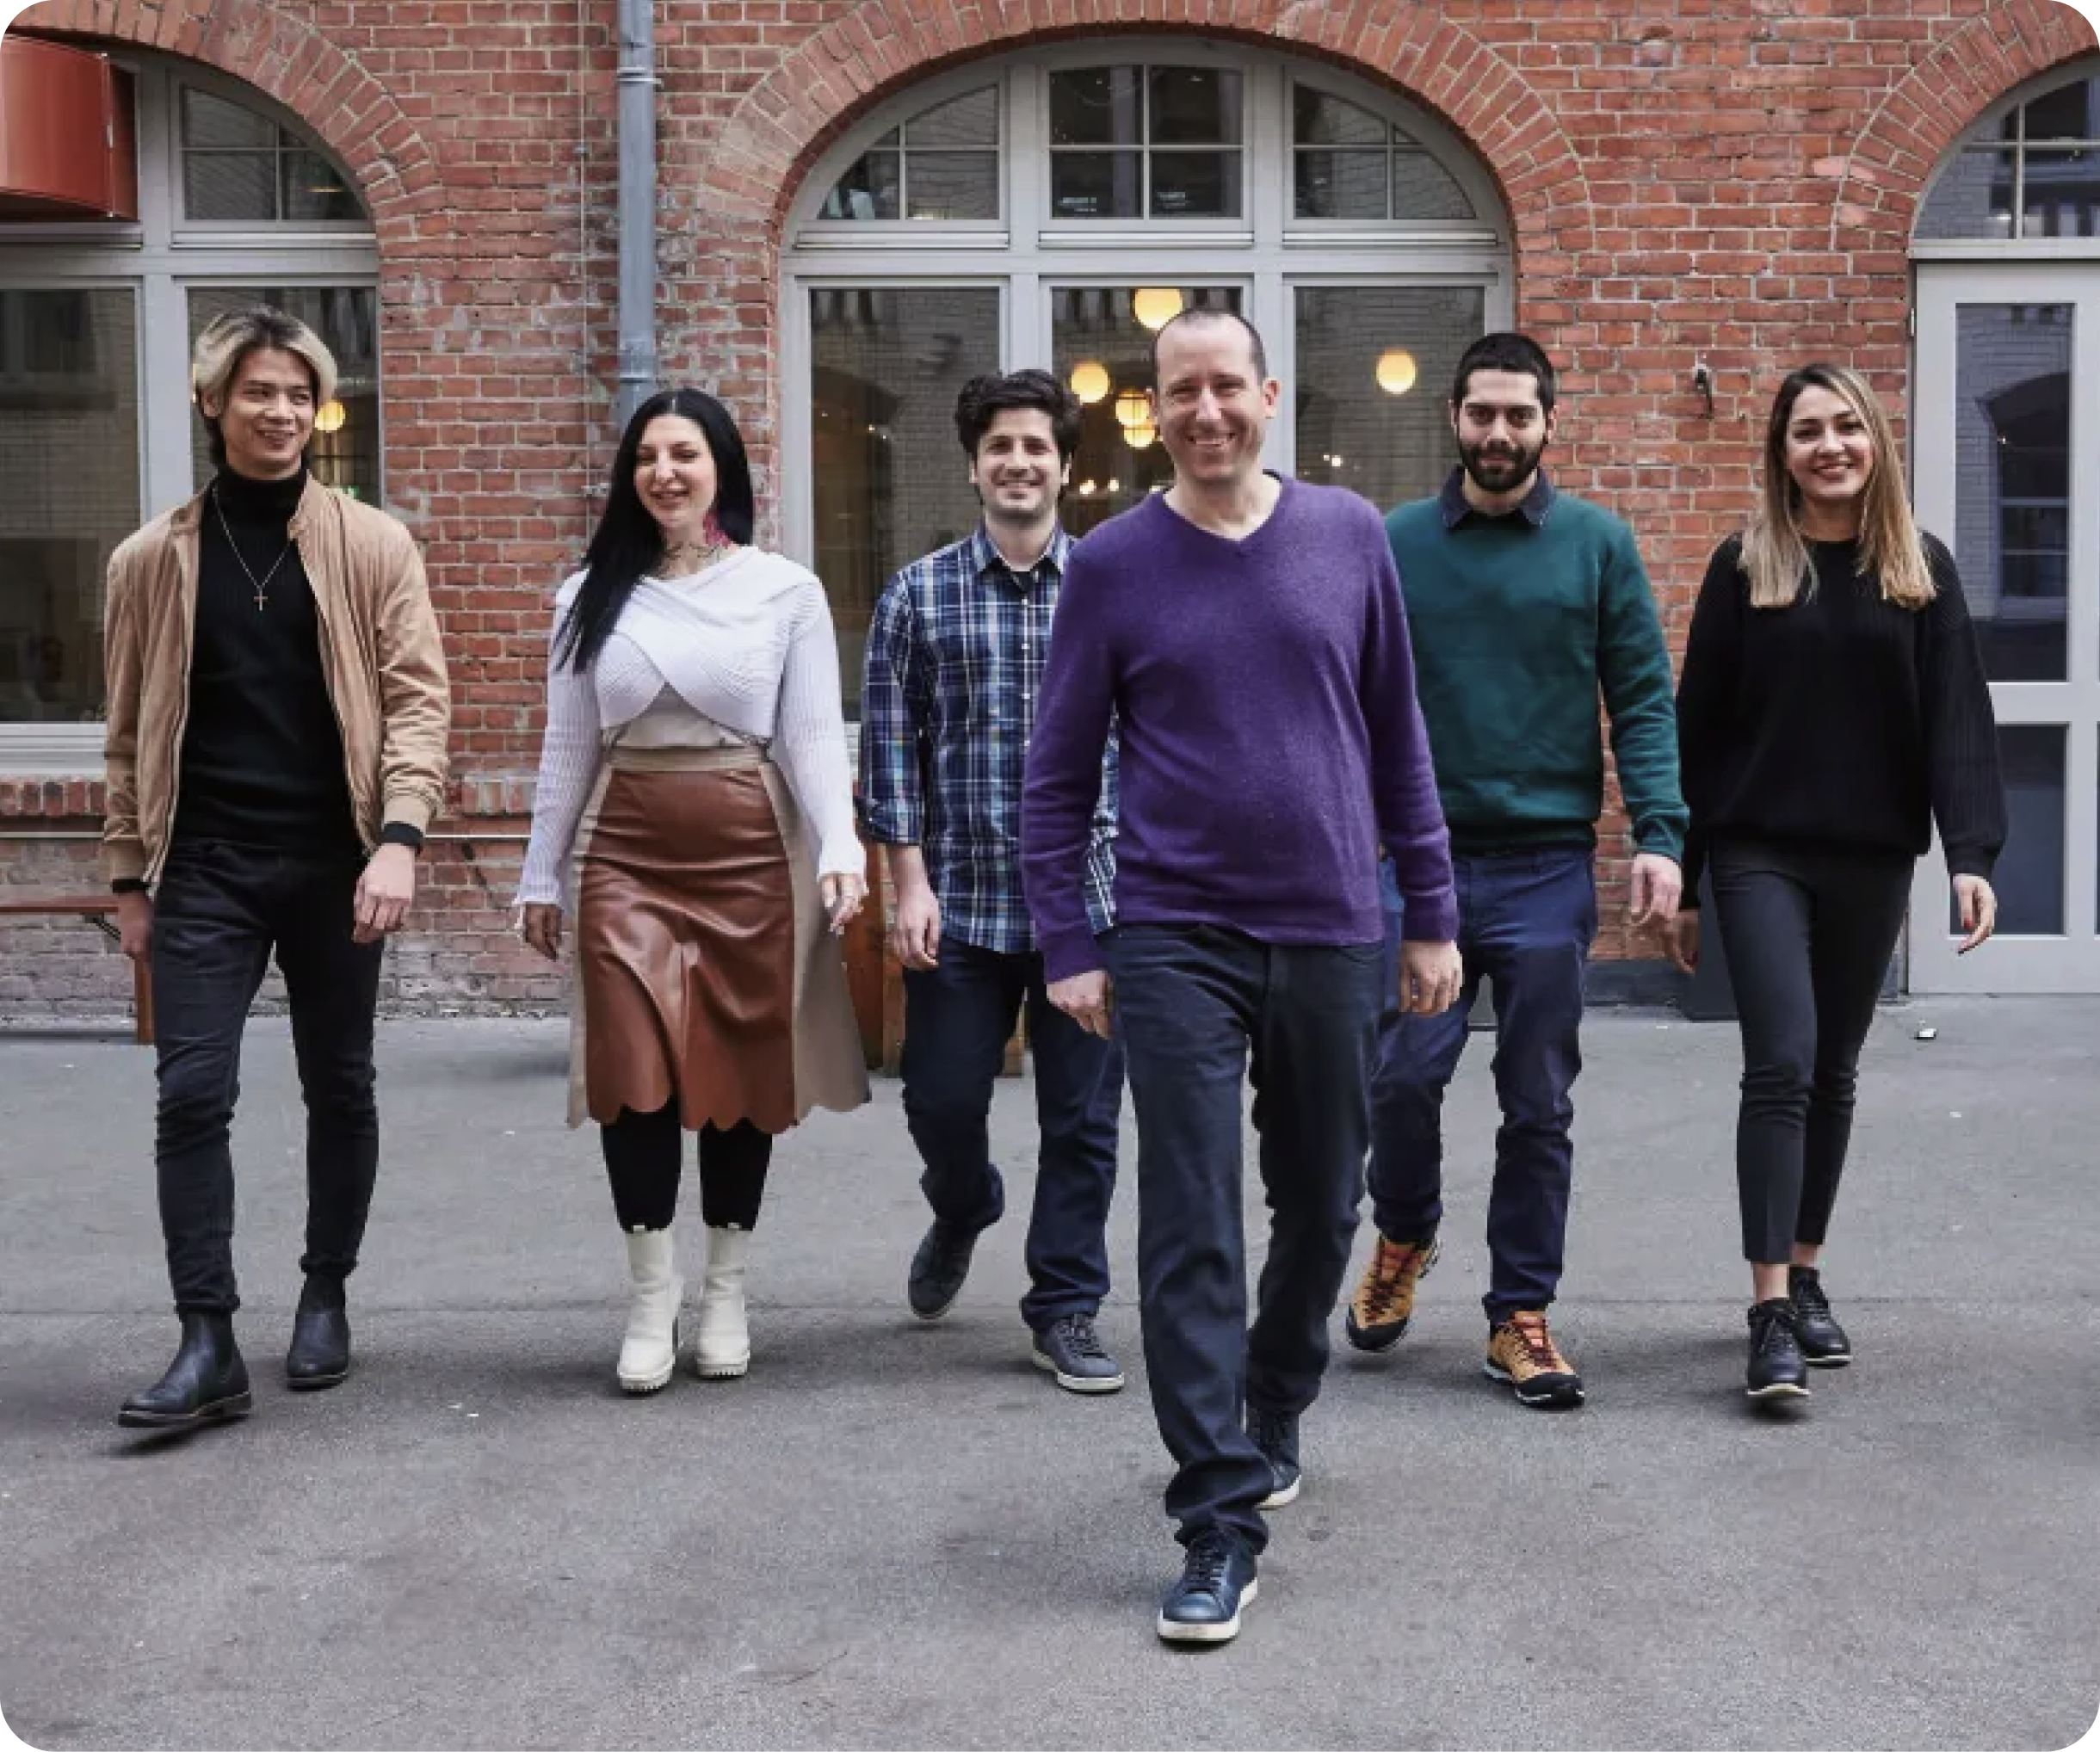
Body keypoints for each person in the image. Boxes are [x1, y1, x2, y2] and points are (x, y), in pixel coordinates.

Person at [1022, 307, 1461, 1645]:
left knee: (1325, 1203)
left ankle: (1275, 1394)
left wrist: (1431, 913)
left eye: (1227, 386)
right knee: (1191, 1222)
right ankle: (1217, 1517)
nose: (1205, 410)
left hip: (1332, 924)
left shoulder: (1348, 538)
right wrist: (1069, 942)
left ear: (1270, 397)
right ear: (1153, 410)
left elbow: (1398, 736)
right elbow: (1056, 775)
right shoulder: (1113, 565)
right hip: (1176, 934)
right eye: (1180, 391)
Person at [105, 305, 451, 1431]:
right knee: (191, 1092)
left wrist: (399, 838)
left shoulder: (372, 545)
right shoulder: (149, 561)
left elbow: (418, 702)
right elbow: (126, 733)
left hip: (336, 862)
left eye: (301, 395)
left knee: (339, 1083)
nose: (283, 411)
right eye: (259, 391)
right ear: (213, 403)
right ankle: (206, 1337)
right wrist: (129, 879)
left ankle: (324, 1293)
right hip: (204, 863)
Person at [1345, 333, 1687, 1410]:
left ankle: (1519, 1315)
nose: (1499, 433)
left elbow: (1642, 697)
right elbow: (1349, 695)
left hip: (1546, 864)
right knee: (1401, 1077)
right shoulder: (1394, 543)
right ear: (1452, 417)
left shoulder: (1597, 544)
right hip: (1420, 864)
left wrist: (1660, 833)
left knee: (1536, 1100)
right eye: (1482, 413)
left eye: (1519, 415)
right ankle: (1405, 1232)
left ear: (1549, 422)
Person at [516, 387, 869, 1395]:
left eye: (684, 453)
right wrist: (540, 873)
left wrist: (840, 844)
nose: (663, 472)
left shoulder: (783, 590)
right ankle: (648, 1296)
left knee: (736, 1074)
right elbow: (567, 748)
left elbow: (811, 733)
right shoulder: (588, 595)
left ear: (722, 467)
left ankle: (724, 1290)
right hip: (624, 854)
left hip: (752, 853)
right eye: (646, 457)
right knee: (631, 1073)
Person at [1668, 362, 2005, 1403]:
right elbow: (1697, 729)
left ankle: (1806, 1270)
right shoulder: (1745, 566)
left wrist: (1971, 856)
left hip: (1870, 853)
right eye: (1807, 431)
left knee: (1832, 1069)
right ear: (1780, 453)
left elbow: (1956, 716)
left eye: (1846, 427)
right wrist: (1685, 875)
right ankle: (1769, 1306)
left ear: (1874, 442)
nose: (1830, 447)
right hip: (1758, 849)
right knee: (1781, 1060)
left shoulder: (1918, 567)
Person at [859, 370, 1126, 1393]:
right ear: (973, 465)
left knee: (1082, 1121)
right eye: (999, 446)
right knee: (940, 1099)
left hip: (1090, 905)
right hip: (960, 900)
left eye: (1035, 446)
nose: (1018, 461)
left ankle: (1065, 1305)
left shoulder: (1113, 585)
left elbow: (1154, 736)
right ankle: (965, 1203)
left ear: (1064, 465)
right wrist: (906, 883)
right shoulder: (916, 594)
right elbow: (891, 750)